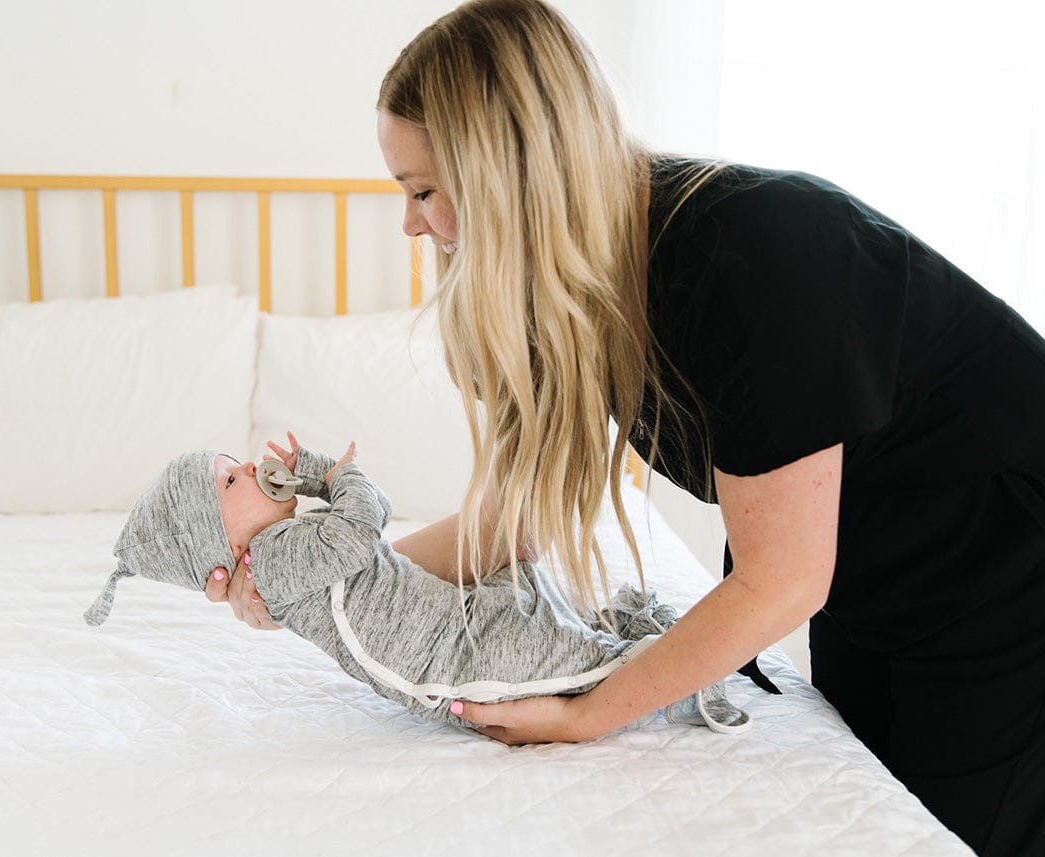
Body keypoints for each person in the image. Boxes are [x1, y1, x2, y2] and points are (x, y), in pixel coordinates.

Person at [205, 2, 1045, 853]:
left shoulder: (750, 255)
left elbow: (783, 579)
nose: (411, 223)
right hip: (871, 569)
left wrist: (587, 713)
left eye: (424, 190)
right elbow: (511, 522)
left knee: (961, 829)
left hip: (1006, 558)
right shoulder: (573, 290)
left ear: (511, 173)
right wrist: (310, 584)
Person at [85, 434, 751, 733]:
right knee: (561, 656)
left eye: (236, 460)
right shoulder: (276, 558)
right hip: (456, 663)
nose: (252, 468)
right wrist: (329, 472)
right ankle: (676, 678)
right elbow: (365, 521)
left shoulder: (275, 557)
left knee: (529, 599)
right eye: (230, 480)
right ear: (220, 546)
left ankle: (627, 642)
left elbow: (355, 552)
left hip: (447, 621)